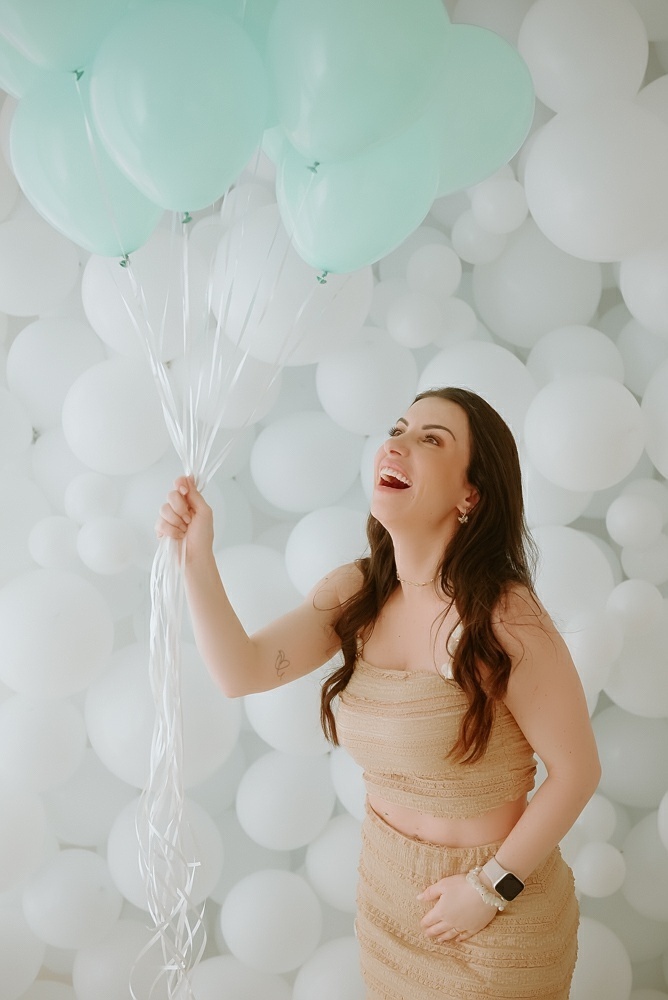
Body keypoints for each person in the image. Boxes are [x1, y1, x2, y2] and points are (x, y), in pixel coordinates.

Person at [156, 386, 601, 1000]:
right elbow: (243, 671)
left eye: (431, 439)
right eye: (397, 430)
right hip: (389, 899)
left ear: (470, 494)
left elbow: (577, 772)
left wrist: (490, 888)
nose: (396, 444)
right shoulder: (357, 593)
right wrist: (195, 558)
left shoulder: (504, 614)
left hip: (494, 913)